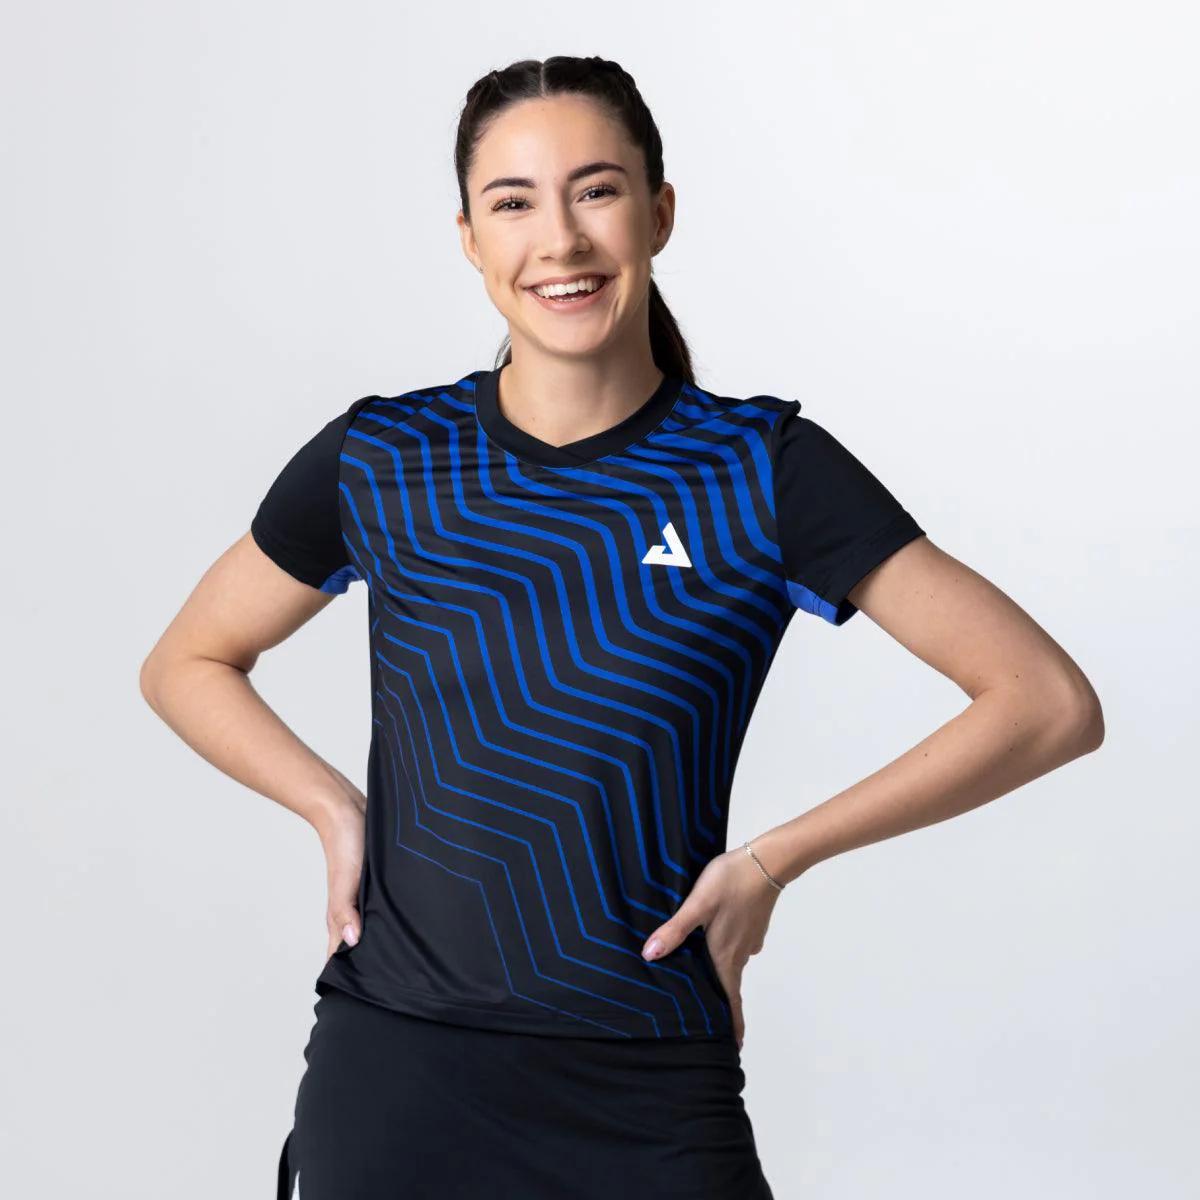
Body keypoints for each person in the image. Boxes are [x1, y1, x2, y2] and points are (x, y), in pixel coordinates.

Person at [138, 54, 1105, 1200]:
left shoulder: (758, 470)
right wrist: (331, 805)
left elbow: (1047, 704)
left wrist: (771, 862)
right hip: (394, 1077)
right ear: (469, 240)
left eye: (595, 191)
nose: (560, 239)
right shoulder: (386, 458)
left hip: (647, 1089)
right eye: (514, 203)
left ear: (659, 213)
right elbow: (187, 661)